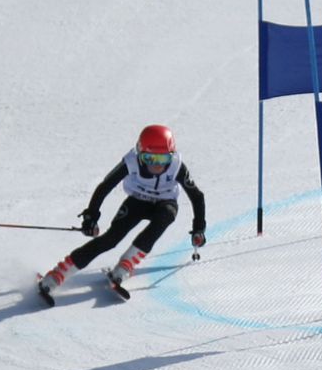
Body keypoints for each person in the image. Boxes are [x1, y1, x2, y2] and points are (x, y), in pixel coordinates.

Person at [37, 124, 209, 304]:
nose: (157, 165)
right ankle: (57, 274)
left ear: (171, 155)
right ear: (140, 154)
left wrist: (199, 229)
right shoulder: (131, 161)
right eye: (150, 158)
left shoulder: (177, 166)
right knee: (110, 239)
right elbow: (105, 186)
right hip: (137, 201)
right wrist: (91, 216)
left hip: (165, 203)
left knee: (165, 216)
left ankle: (126, 265)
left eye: (163, 158)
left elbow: (197, 196)